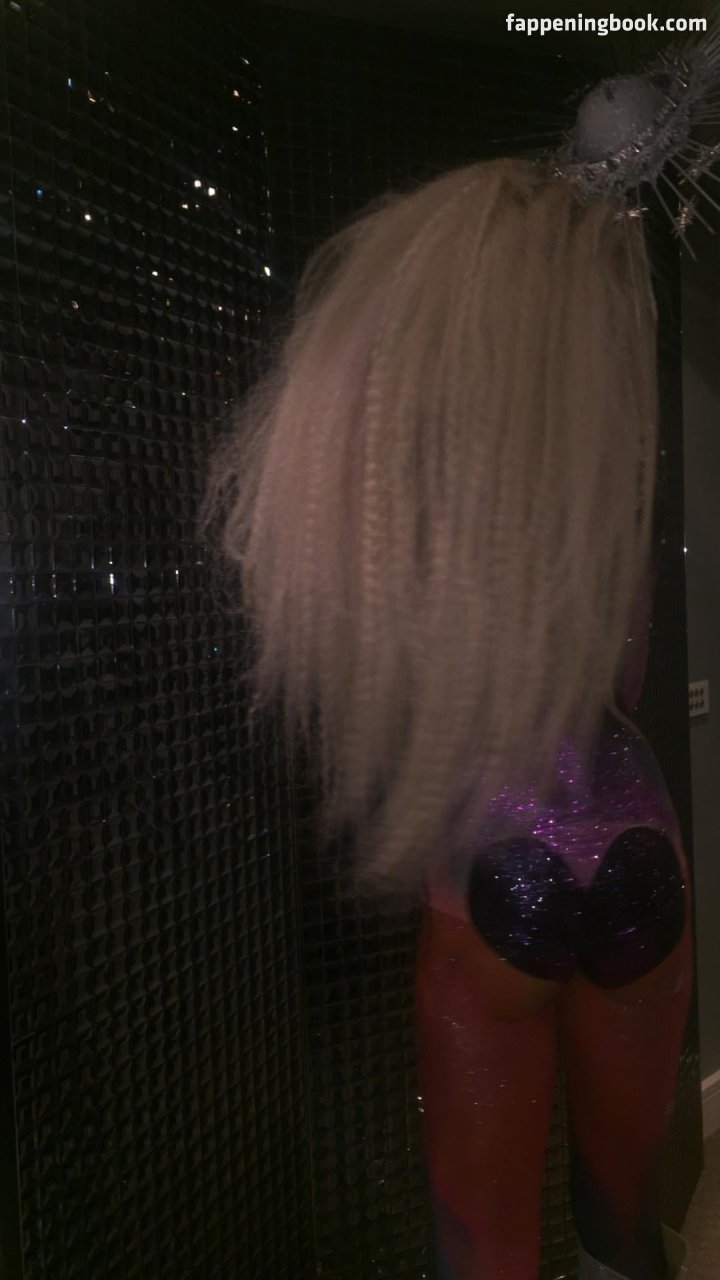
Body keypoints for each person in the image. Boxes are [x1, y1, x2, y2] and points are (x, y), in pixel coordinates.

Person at [197, 150, 693, 1280]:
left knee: (484, 1245)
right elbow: (626, 673)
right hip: (640, 833)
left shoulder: (422, 500)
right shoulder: (604, 475)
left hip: (494, 856)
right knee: (625, 1226)